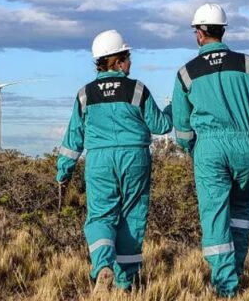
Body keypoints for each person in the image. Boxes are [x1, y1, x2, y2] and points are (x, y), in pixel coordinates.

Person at [170, 3, 249, 297]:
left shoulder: (186, 72)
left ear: (199, 33)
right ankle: (236, 269)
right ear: (223, 30)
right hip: (247, 146)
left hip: (209, 148)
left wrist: (191, 147)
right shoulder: (248, 64)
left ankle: (225, 284)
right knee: (242, 211)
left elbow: (181, 126)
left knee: (215, 216)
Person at [56, 29, 173, 293]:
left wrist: (64, 171)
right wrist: (172, 108)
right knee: (132, 216)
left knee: (100, 216)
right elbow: (161, 125)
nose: (130, 62)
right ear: (117, 61)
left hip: (99, 160)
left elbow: (73, 137)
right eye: (128, 57)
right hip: (135, 158)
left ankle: (102, 266)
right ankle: (124, 283)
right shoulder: (137, 89)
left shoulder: (85, 94)